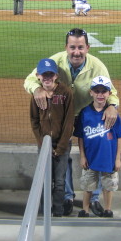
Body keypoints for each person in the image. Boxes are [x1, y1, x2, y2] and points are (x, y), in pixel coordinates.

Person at [24, 28, 119, 217]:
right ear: (66, 48)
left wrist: (112, 106)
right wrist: (36, 89)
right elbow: (30, 79)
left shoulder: (97, 65)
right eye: (73, 47)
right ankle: (67, 197)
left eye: (81, 47)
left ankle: (93, 199)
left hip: (87, 115)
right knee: (63, 156)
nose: (77, 52)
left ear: (88, 48)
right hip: (61, 116)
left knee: (93, 153)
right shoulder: (56, 61)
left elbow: (111, 90)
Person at [75, 76, 121, 218]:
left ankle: (108, 209)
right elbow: (80, 136)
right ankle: (85, 209)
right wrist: (82, 156)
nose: (100, 94)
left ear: (109, 93)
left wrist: (118, 159)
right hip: (90, 158)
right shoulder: (84, 113)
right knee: (88, 185)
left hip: (108, 158)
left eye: (104, 91)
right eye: (97, 91)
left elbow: (119, 137)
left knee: (108, 186)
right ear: (91, 92)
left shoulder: (113, 114)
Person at [30, 58, 74, 217]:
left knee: (60, 182)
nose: (47, 78)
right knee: (44, 180)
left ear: (56, 75)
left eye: (50, 74)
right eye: (44, 75)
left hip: (62, 145)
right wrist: (42, 144)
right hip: (44, 146)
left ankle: (58, 212)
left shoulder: (66, 93)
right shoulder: (37, 96)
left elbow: (69, 122)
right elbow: (34, 121)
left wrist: (61, 147)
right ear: (38, 76)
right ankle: (44, 212)